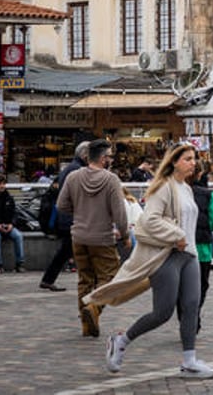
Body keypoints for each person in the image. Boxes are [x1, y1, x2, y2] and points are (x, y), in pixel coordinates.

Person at [87, 143, 213, 379]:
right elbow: (150, 220)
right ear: (174, 161)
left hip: (190, 256)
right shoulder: (164, 188)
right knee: (163, 312)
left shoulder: (186, 188)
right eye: (187, 158)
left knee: (191, 308)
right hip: (166, 255)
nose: (193, 163)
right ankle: (121, 340)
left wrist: (188, 243)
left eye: (194, 158)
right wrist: (176, 235)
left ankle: (189, 361)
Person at [57, 139, 130, 338]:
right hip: (103, 238)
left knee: (85, 280)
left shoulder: (73, 177)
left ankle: (87, 325)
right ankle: (95, 308)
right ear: (104, 158)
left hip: (79, 236)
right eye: (110, 156)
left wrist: (80, 211)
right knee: (110, 279)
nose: (112, 160)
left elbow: (61, 206)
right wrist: (125, 235)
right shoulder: (111, 180)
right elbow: (119, 213)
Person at [39, 141, 90, 293]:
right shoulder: (76, 169)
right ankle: (92, 281)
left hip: (69, 217)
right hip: (71, 218)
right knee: (75, 250)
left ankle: (48, 280)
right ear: (85, 155)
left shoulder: (73, 168)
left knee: (66, 251)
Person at [189, 164, 213, 333]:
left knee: (182, 286)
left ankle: (185, 316)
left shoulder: (175, 192)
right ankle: (194, 314)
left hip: (179, 247)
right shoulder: (209, 195)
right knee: (201, 284)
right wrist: (206, 225)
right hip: (202, 247)